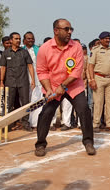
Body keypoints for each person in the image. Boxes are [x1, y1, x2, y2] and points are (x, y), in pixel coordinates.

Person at [35, 18, 95, 156]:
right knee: (46, 114)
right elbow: (42, 71)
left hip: (73, 86)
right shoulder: (45, 48)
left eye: (71, 29)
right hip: (54, 87)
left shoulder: (76, 47)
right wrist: (48, 88)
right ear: (56, 31)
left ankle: (88, 142)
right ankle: (40, 144)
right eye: (66, 29)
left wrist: (63, 86)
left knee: (84, 110)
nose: (69, 32)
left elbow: (77, 71)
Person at [88, 31, 110, 132]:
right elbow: (91, 66)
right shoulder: (95, 50)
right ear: (101, 40)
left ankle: (109, 124)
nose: (108, 40)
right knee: (98, 102)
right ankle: (95, 124)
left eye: (108, 38)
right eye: (105, 38)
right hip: (99, 77)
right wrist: (92, 79)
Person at [0, 32, 35, 131]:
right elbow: (3, 67)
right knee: (9, 104)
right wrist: (1, 81)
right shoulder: (5, 53)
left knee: (25, 103)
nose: (18, 40)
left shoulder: (24, 52)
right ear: (11, 40)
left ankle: (25, 123)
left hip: (23, 81)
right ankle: (9, 124)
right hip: (9, 81)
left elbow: (30, 66)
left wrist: (33, 80)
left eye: (19, 39)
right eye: (16, 39)